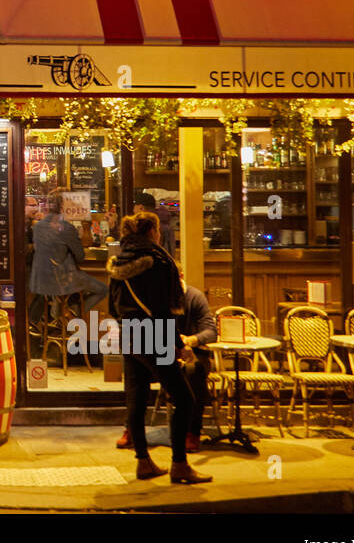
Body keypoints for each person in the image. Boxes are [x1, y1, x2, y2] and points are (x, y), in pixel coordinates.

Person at [107, 210, 211, 485]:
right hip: (155, 336)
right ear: (153, 232)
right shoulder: (161, 261)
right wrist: (177, 344)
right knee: (185, 399)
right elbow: (165, 309)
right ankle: (179, 465)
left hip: (129, 335)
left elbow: (111, 307)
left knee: (136, 400)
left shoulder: (118, 261)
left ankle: (143, 462)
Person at [116, 282, 217, 453]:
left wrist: (190, 340)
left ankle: (192, 432)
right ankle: (133, 429)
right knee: (136, 372)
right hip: (163, 351)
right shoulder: (158, 295)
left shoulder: (195, 297)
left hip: (189, 352)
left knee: (194, 371)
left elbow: (211, 331)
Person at [28, 193, 109, 329]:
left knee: (72, 290)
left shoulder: (37, 227)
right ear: (62, 207)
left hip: (40, 281)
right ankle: (72, 313)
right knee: (103, 289)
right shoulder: (66, 228)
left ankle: (61, 311)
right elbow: (80, 257)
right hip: (63, 280)